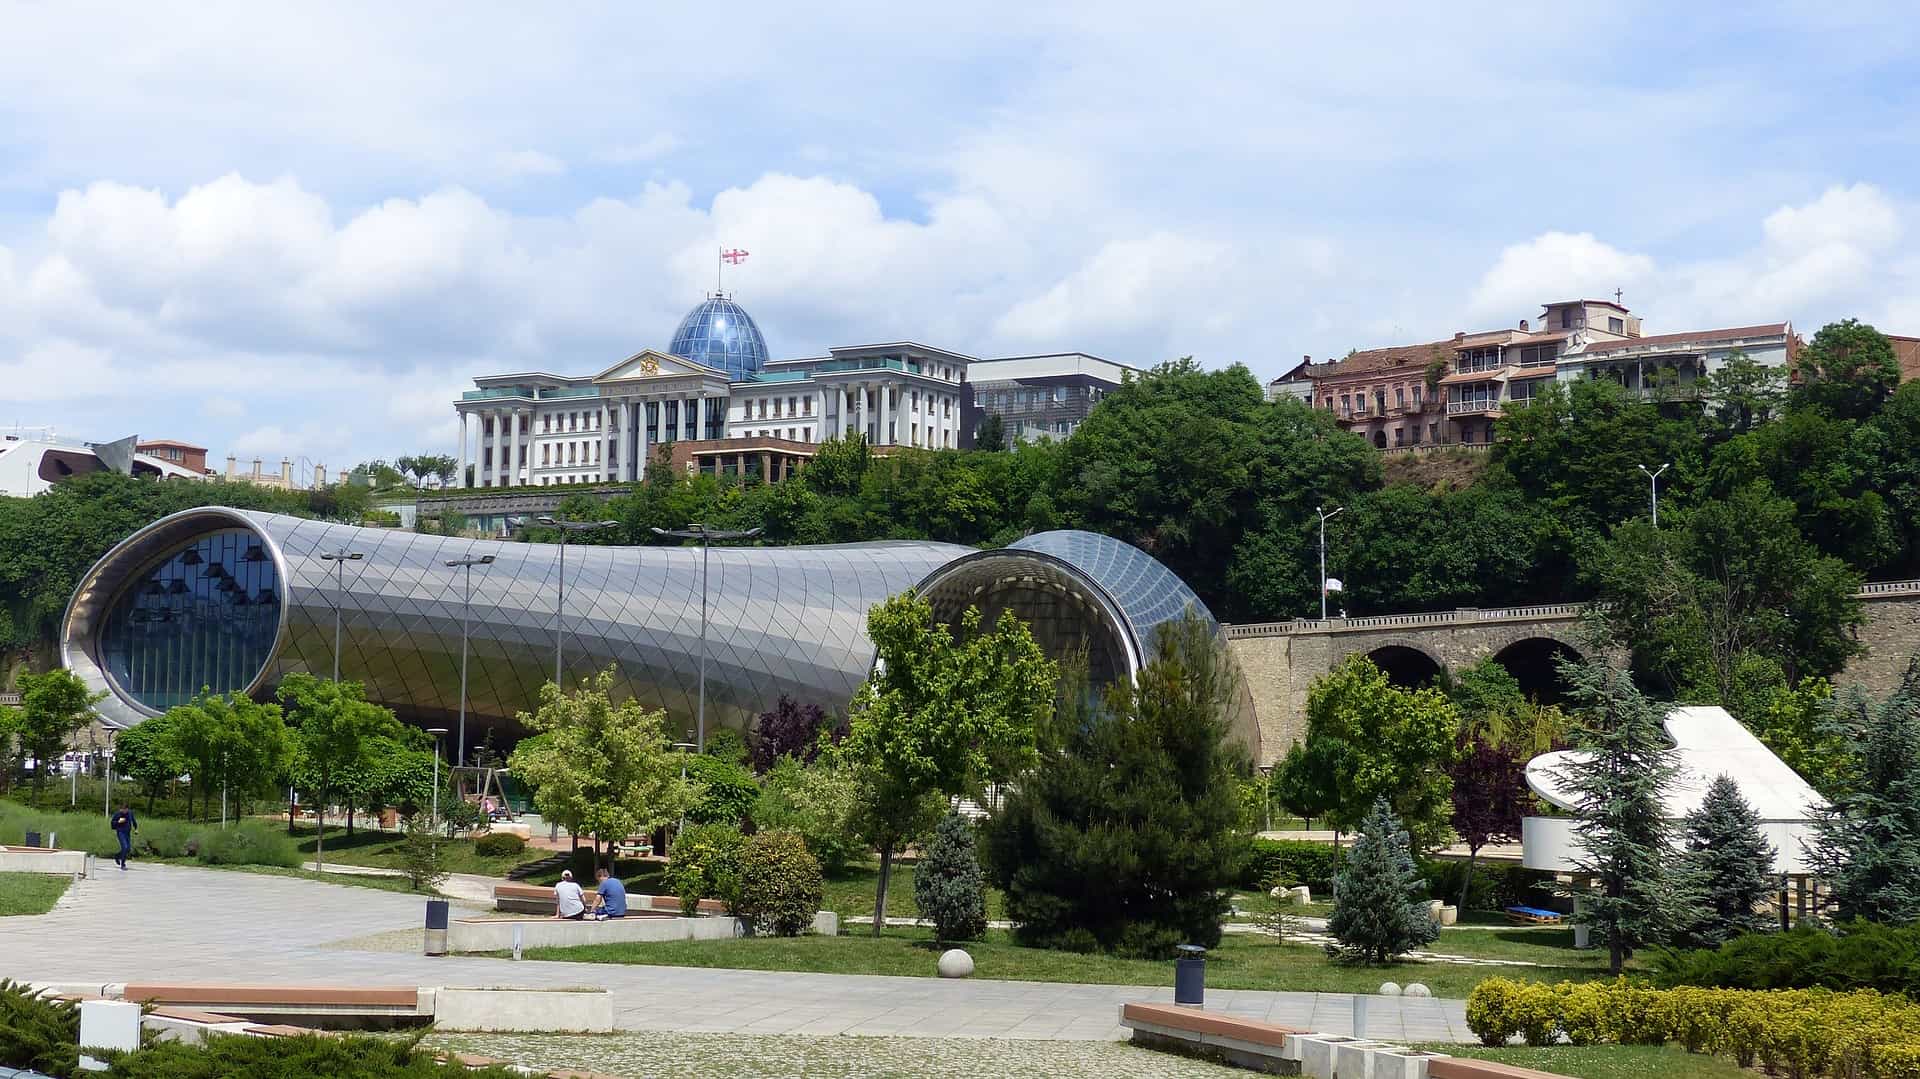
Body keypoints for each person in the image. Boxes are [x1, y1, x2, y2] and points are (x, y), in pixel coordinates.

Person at [109, 806, 136, 870]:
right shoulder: (117, 814)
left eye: (125, 810)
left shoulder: (130, 813)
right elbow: (112, 824)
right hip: (121, 832)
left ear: (127, 809)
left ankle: (117, 856)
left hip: (127, 833)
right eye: (122, 810)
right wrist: (118, 822)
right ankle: (123, 864)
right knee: (125, 847)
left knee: (128, 849)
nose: (123, 811)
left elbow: (134, 821)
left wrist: (136, 829)